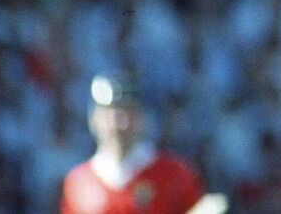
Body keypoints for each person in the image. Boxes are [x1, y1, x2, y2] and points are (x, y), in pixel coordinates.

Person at [60, 74, 212, 214]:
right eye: (110, 113)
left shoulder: (173, 174)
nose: (119, 123)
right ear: (94, 118)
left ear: (141, 118)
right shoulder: (78, 182)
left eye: (127, 113)